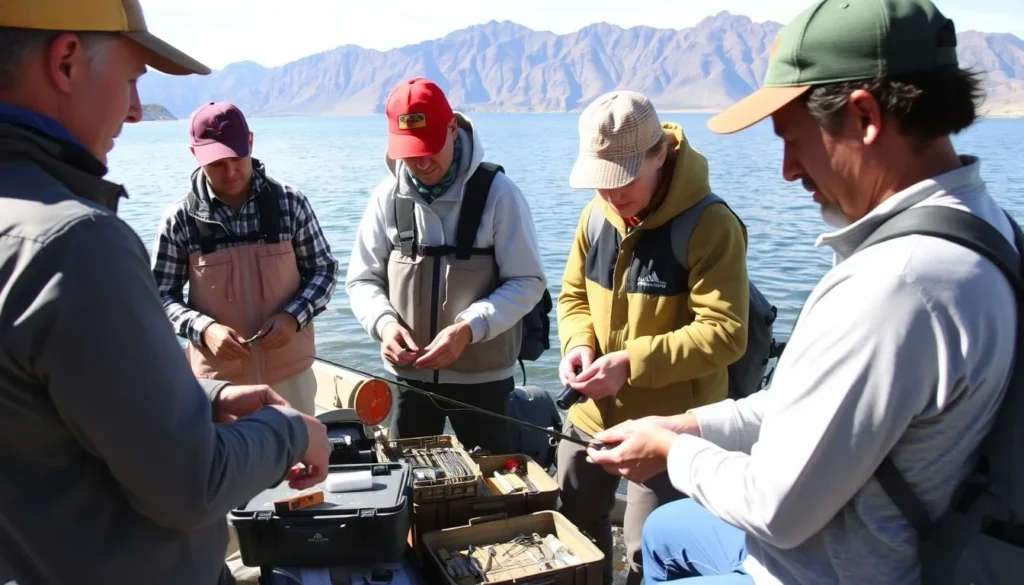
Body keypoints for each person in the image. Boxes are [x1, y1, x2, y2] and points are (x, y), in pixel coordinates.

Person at [587, 1, 1017, 584]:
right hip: (856, 533)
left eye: (793, 138)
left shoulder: (896, 285)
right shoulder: (988, 227)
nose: (788, 169)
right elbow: (809, 401)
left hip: (833, 568)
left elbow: (776, 510)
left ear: (864, 117)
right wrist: (688, 425)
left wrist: (669, 453)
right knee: (667, 530)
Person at [0, 2, 330, 584]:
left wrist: (204, 397)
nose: (133, 111)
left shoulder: (22, 222)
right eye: (131, 80)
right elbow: (189, 483)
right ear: (67, 61)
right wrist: (293, 431)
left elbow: (73, 405)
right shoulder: (77, 242)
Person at [556, 90, 751, 585]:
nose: (612, 196)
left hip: (668, 431)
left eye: (623, 180)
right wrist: (578, 345)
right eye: (601, 184)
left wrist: (630, 363)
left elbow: (726, 333)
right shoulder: (596, 216)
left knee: (652, 551)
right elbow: (573, 296)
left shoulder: (711, 225)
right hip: (589, 417)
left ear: (660, 154)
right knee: (574, 534)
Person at [345, 78, 547, 455]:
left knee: (496, 488)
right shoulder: (385, 197)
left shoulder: (500, 194)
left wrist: (469, 328)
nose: (421, 163)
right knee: (407, 480)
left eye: (429, 148)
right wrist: (384, 325)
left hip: (485, 381)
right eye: (409, 151)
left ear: (453, 129)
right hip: (409, 379)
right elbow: (362, 280)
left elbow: (528, 281)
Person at [151, 101, 339, 415]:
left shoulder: (291, 204)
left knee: (298, 463)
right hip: (218, 386)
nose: (230, 172)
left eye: (237, 158)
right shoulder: (178, 219)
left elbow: (324, 271)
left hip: (291, 379)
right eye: (216, 164)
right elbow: (159, 295)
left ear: (250, 142)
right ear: (194, 155)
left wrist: (293, 317)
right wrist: (204, 328)